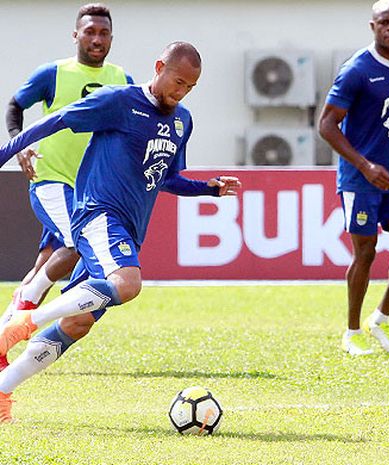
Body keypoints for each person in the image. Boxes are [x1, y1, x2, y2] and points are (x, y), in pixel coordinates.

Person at [0, 42, 241, 422]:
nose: (181, 92)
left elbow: (167, 177)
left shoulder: (182, 121)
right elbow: (56, 120)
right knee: (127, 283)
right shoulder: (118, 101)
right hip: (96, 214)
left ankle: (2, 390)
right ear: (159, 66)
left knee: (77, 324)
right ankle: (25, 321)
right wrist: (7, 153)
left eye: (190, 88)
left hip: (127, 230)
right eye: (177, 82)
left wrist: (208, 188)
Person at [0, 3, 133, 372]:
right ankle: (28, 301)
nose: (96, 39)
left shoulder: (122, 79)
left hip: (91, 190)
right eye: (89, 32)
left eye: (103, 33)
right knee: (75, 244)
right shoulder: (54, 73)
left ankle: (4, 335)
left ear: (111, 38)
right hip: (51, 178)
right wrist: (20, 143)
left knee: (47, 262)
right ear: (76, 35)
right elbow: (15, 105)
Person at [319, 0, 389, 356]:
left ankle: (380, 319)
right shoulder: (357, 70)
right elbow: (326, 125)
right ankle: (351, 332)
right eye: (384, 23)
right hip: (360, 177)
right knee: (366, 252)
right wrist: (364, 165)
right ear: (373, 27)